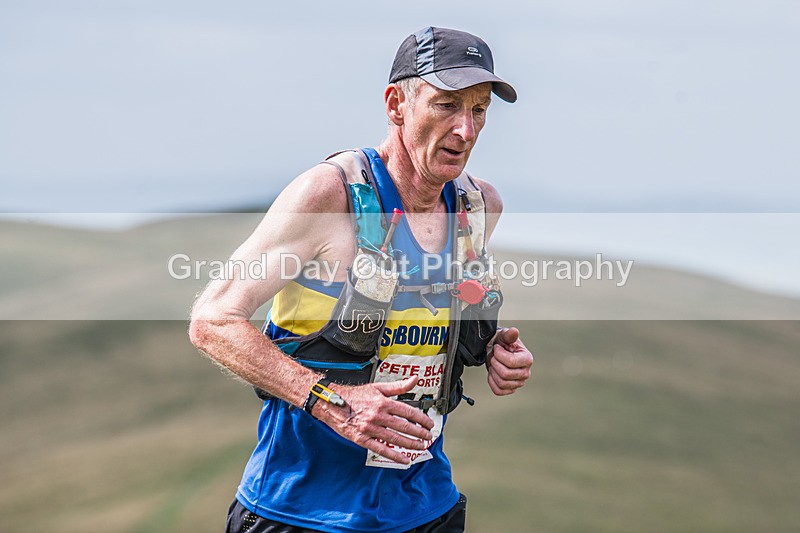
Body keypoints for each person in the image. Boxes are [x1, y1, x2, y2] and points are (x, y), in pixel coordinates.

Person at [189, 26, 534, 533]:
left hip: (426, 508)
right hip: (300, 511)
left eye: (479, 109)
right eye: (447, 105)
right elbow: (212, 321)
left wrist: (494, 354)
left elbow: (426, 323)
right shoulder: (329, 195)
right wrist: (334, 400)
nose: (466, 129)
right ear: (397, 103)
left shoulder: (478, 207)